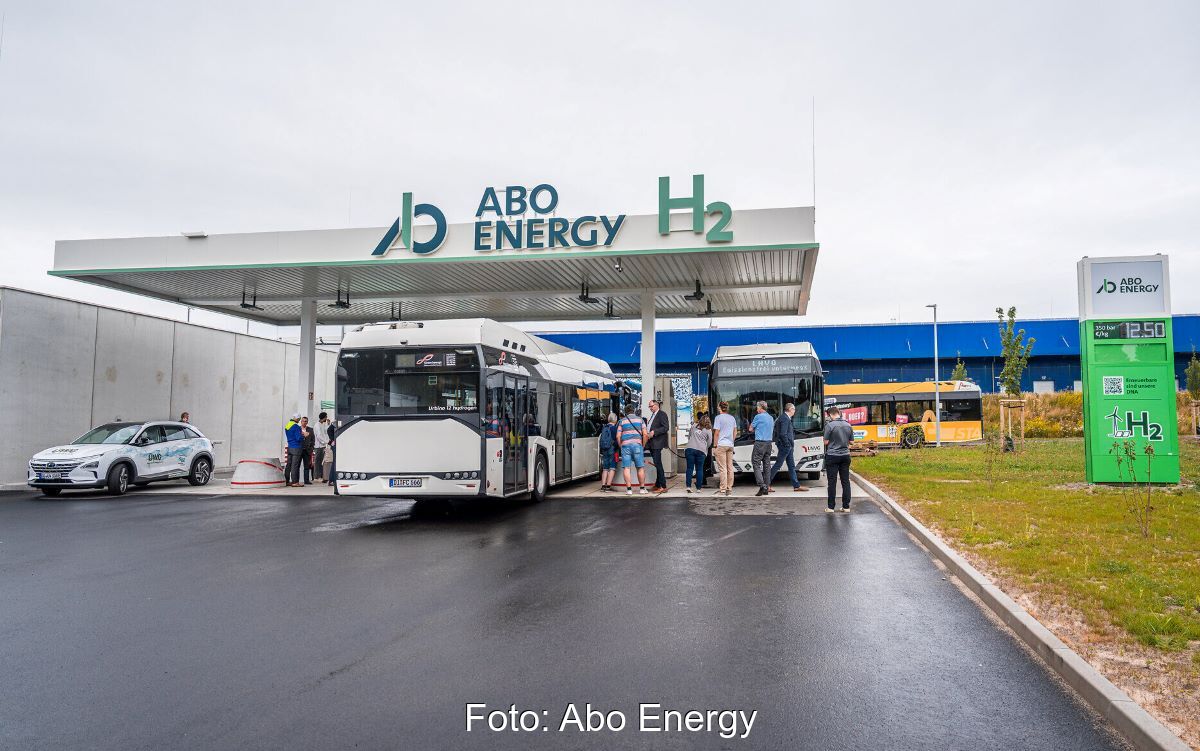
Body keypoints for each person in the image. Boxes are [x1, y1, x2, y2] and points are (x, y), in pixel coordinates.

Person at [769, 403, 806, 492]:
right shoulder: (785, 419)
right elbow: (783, 433)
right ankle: (766, 484)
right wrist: (787, 444)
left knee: (791, 466)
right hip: (785, 446)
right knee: (778, 464)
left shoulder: (784, 418)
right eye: (793, 409)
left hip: (786, 446)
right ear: (790, 409)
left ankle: (796, 486)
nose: (794, 411)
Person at [824, 406, 855, 512]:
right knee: (845, 481)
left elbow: (826, 442)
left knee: (832, 482)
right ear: (839, 413)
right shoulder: (848, 425)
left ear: (831, 415)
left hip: (832, 456)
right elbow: (851, 442)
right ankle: (846, 507)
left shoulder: (830, 425)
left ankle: (831, 507)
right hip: (845, 456)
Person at [618, 409, 648, 496]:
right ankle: (642, 489)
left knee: (626, 468)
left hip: (625, 446)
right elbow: (645, 434)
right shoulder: (640, 420)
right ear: (633, 411)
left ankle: (629, 490)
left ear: (626, 412)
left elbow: (618, 436)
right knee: (640, 467)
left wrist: (621, 445)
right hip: (637, 445)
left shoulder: (622, 421)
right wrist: (643, 445)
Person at [711, 401, 738, 496]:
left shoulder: (718, 418)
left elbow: (717, 433)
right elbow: (735, 432)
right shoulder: (732, 418)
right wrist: (731, 441)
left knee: (722, 468)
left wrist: (714, 446)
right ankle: (729, 488)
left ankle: (722, 489)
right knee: (730, 467)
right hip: (730, 445)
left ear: (719, 408)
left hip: (721, 445)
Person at [749, 401, 775, 496]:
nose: (756, 409)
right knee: (767, 465)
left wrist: (757, 428)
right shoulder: (771, 417)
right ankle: (767, 487)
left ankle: (762, 485)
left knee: (755, 463)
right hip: (769, 443)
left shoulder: (758, 417)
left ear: (761, 408)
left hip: (760, 443)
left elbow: (750, 429)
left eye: (757, 407)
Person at [644, 399, 671, 494]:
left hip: (657, 443)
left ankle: (663, 486)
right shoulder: (653, 415)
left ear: (656, 405)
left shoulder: (662, 414)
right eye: (649, 407)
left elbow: (665, 427)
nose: (650, 408)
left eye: (651, 406)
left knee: (658, 464)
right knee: (657, 464)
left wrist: (654, 432)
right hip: (652, 443)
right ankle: (658, 484)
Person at [684, 414, 712, 493]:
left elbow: (689, 436)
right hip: (701, 451)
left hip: (690, 449)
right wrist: (704, 447)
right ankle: (699, 488)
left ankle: (688, 486)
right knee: (699, 469)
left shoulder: (694, 426)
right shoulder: (708, 430)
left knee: (689, 468)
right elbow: (709, 443)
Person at [598, 413, 619, 492]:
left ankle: (603, 486)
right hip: (613, 449)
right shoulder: (614, 428)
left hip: (604, 450)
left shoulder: (604, 427)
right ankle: (608, 487)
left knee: (605, 469)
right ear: (615, 420)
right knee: (612, 468)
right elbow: (617, 439)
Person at [283, 413, 304, 487]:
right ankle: (295, 482)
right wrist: (304, 435)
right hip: (296, 448)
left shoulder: (288, 425)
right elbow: (298, 438)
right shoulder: (296, 427)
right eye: (299, 419)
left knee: (288, 465)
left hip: (290, 447)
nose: (299, 420)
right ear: (297, 419)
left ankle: (287, 481)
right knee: (295, 466)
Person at [314, 412, 331, 482]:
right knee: (317, 462)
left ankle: (320, 476)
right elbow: (319, 436)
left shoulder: (322, 424)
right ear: (323, 417)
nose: (326, 418)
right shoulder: (317, 425)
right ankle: (316, 477)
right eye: (326, 417)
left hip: (322, 446)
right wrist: (326, 442)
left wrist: (328, 424)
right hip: (318, 446)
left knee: (321, 462)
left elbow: (325, 431)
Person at [299, 416, 315, 485]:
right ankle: (296, 480)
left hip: (307, 450)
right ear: (301, 422)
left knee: (307, 466)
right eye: (303, 421)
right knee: (297, 466)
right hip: (299, 450)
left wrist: (311, 448)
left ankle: (306, 480)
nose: (304, 422)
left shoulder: (310, 429)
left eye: (306, 421)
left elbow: (313, 439)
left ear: (307, 422)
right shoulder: (298, 429)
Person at [325, 421, 338, 486]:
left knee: (335, 462)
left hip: (335, 444)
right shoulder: (335, 423)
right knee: (335, 462)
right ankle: (331, 480)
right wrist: (333, 439)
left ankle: (332, 480)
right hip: (335, 445)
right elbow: (329, 430)